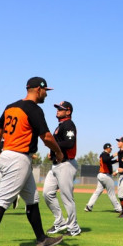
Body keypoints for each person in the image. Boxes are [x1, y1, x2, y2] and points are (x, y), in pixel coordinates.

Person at [0, 76, 65, 246]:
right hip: (18, 158)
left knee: (32, 199)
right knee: (2, 201)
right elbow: (46, 136)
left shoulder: (11, 107)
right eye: (45, 90)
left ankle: (41, 240)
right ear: (38, 89)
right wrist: (59, 152)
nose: (46, 94)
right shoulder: (34, 109)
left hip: (9, 154)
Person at [43, 101, 81, 237]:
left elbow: (69, 143)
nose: (57, 110)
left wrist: (53, 145)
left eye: (61, 109)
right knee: (47, 193)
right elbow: (60, 144)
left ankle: (74, 227)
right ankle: (59, 221)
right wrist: (52, 152)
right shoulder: (61, 125)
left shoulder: (69, 124)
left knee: (67, 197)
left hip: (66, 164)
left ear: (68, 111)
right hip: (56, 164)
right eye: (57, 108)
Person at [84, 143, 123, 214]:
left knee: (97, 192)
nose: (111, 149)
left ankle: (89, 206)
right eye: (110, 148)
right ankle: (118, 208)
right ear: (107, 148)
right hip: (105, 176)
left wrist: (116, 160)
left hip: (101, 175)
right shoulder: (104, 154)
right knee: (111, 193)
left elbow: (109, 161)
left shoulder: (105, 155)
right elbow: (106, 160)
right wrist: (113, 155)